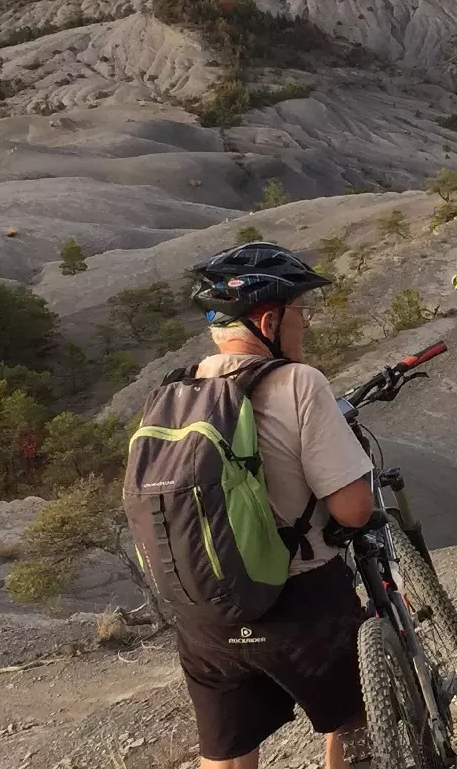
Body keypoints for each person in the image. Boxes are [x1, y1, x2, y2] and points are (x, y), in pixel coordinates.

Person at [179, 242, 378, 769]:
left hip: (204, 613)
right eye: (299, 312)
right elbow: (354, 510)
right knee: (357, 717)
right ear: (268, 319)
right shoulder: (297, 383)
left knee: (228, 752)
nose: (305, 325)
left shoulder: (178, 390)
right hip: (298, 602)